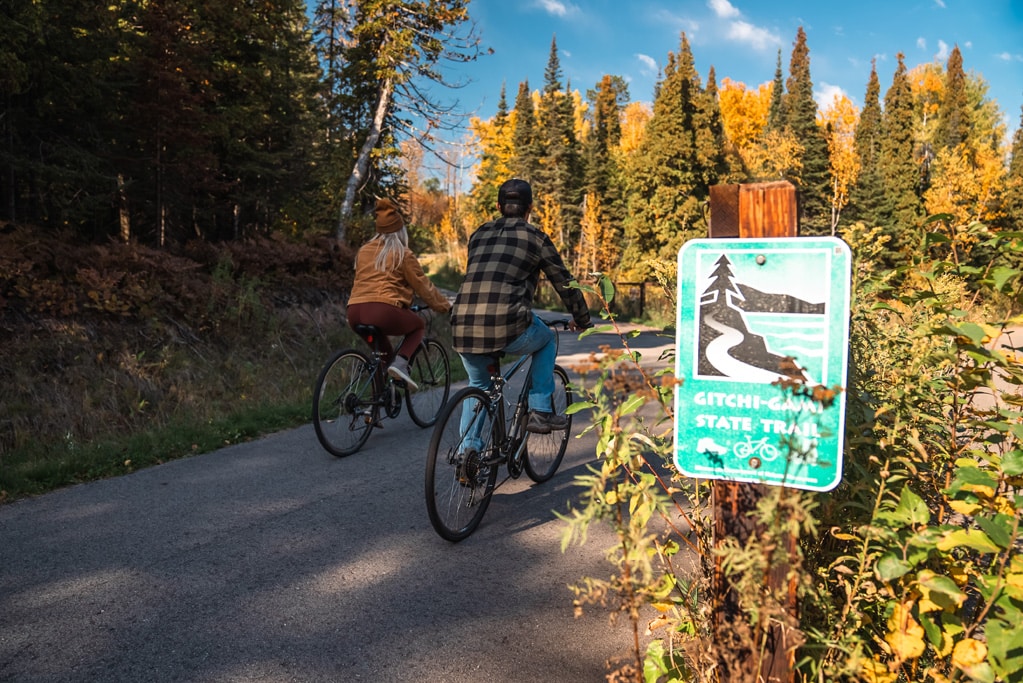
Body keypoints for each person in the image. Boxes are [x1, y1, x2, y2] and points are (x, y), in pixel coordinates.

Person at [451, 178, 591, 434]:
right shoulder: (536, 238)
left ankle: (467, 458)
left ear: (498, 205)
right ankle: (540, 411)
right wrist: (582, 319)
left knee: (479, 386)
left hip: (462, 325)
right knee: (547, 338)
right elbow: (563, 282)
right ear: (530, 208)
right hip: (507, 325)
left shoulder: (478, 234)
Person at [346, 198, 451, 390]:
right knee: (418, 325)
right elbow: (423, 286)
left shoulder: (363, 251)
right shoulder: (402, 253)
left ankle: (373, 410)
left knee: (383, 357)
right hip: (382, 311)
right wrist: (444, 306)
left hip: (354, 311)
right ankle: (402, 363)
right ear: (400, 231)